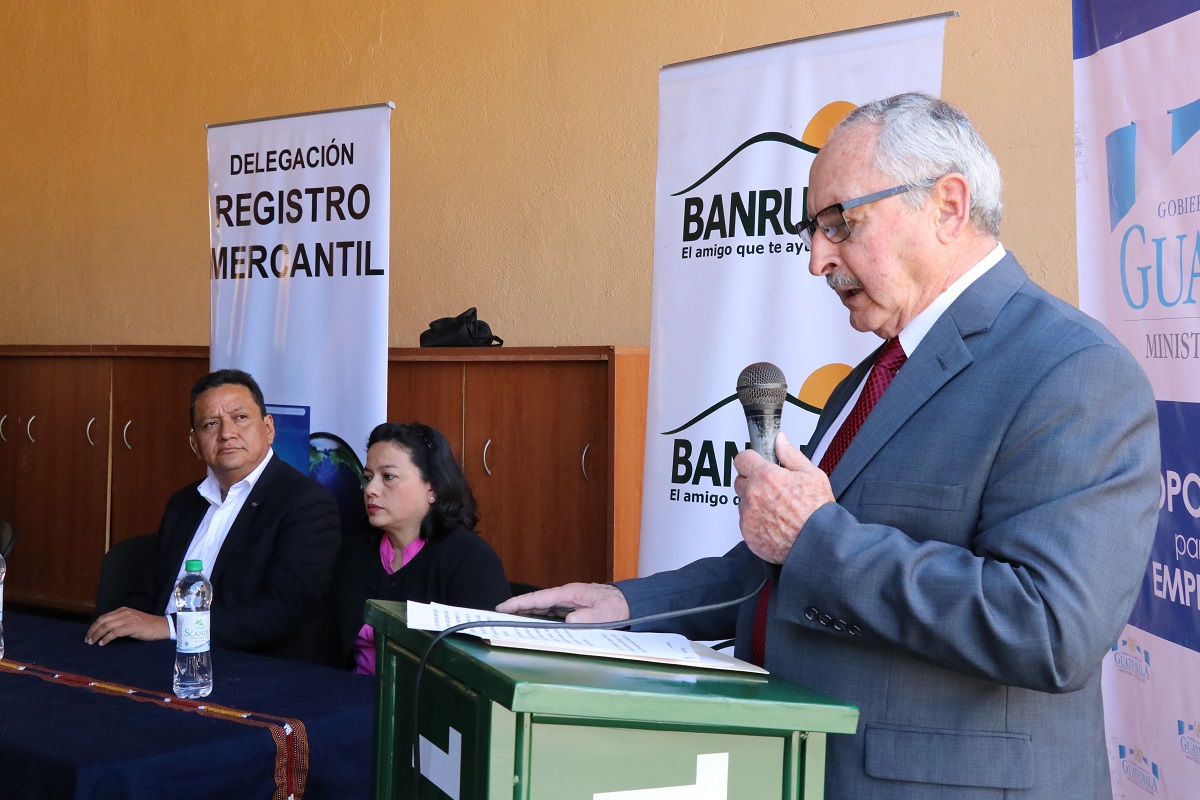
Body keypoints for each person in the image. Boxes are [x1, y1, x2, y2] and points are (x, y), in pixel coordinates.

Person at [499, 93, 1161, 799]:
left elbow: (1048, 627)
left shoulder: (1071, 370)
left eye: (841, 223)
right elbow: (784, 569)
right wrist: (624, 607)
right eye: (814, 229)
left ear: (947, 205)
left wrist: (815, 535)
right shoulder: (870, 378)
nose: (818, 259)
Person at [85, 369, 341, 660]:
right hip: (157, 657)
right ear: (195, 443)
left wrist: (170, 627)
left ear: (269, 429)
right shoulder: (184, 503)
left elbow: (284, 609)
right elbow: (149, 591)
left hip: (244, 665)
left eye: (240, 418)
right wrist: (127, 629)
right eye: (211, 424)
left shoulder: (306, 503)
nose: (227, 433)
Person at [318, 422, 510, 674]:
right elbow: (325, 647)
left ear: (432, 488)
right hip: (348, 697)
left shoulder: (470, 559)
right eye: (368, 478)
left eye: (388, 477)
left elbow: (486, 666)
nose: (371, 490)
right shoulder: (353, 552)